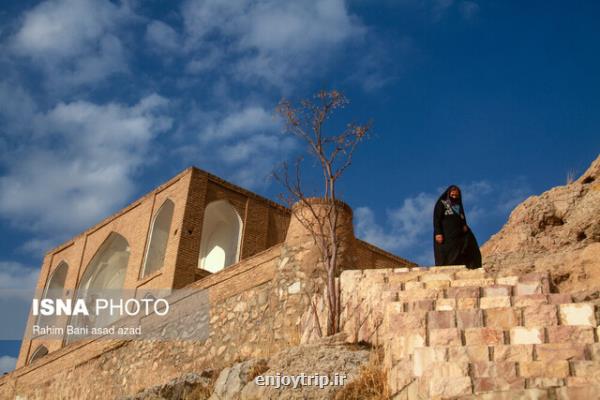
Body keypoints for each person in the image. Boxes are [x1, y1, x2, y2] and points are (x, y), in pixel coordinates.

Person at [433, 185, 482, 269]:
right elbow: (437, 218)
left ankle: (471, 266)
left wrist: (464, 224)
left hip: (457, 234)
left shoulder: (458, 205)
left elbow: (462, 216)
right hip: (446, 234)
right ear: (448, 194)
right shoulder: (442, 203)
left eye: (456, 195)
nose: (454, 197)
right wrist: (438, 233)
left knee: (467, 245)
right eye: (453, 195)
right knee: (447, 252)